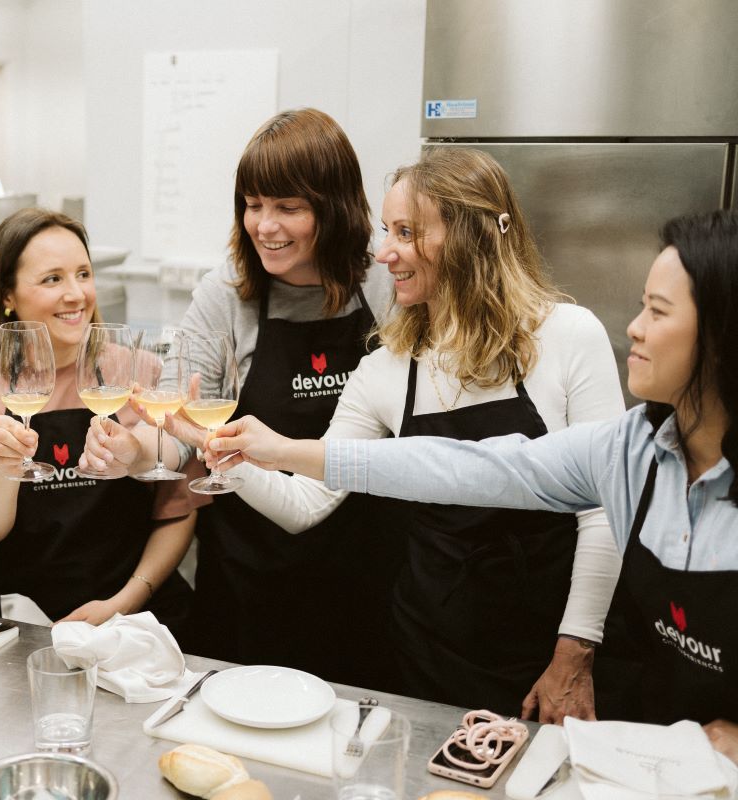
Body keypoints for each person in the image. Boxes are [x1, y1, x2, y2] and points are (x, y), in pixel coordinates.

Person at [209, 209, 738, 756]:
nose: (634, 327)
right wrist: (280, 452)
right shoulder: (628, 450)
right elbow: (466, 468)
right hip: (667, 743)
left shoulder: (567, 340)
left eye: (658, 310)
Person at [199, 149, 626, 720]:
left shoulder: (569, 337)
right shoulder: (387, 367)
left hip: (548, 648)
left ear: (470, 237)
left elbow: (605, 511)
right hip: (425, 646)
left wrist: (574, 653)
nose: (384, 253)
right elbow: (307, 503)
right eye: (386, 231)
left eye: (406, 232)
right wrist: (230, 457)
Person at [80, 108, 396, 686]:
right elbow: (181, 429)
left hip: (370, 569)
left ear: (335, 206)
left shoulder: (384, 287)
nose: (265, 226)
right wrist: (135, 451)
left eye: (288, 207)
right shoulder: (227, 294)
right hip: (250, 575)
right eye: (253, 205)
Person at [0, 207, 195, 629]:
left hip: (134, 608)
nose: (76, 294)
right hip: (21, 612)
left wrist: (124, 603)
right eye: (52, 279)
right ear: (6, 295)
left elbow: (178, 511)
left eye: (84, 274)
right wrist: (5, 466)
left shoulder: (140, 371)